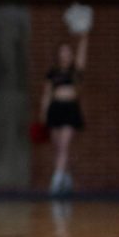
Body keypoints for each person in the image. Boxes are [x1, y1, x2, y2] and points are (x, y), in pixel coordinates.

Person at [40, 19, 89, 196]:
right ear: (59, 55)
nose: (65, 55)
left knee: (64, 145)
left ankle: (56, 180)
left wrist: (84, 36)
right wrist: (44, 113)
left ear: (71, 55)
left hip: (70, 110)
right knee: (58, 146)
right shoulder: (52, 73)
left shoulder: (75, 71)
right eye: (62, 52)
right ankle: (66, 176)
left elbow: (82, 55)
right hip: (55, 110)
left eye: (68, 52)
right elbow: (46, 94)